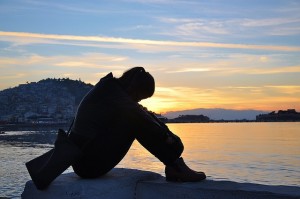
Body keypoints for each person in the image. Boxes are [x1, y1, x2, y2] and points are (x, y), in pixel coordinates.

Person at [26, 67, 206, 190]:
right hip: (88, 165)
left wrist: (169, 137)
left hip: (86, 160)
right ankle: (175, 166)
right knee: (132, 120)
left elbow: (145, 115)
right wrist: (172, 142)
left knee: (134, 117)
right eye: (138, 96)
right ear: (133, 87)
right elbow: (142, 118)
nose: (137, 101)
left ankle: (174, 164)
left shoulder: (110, 89)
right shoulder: (113, 95)